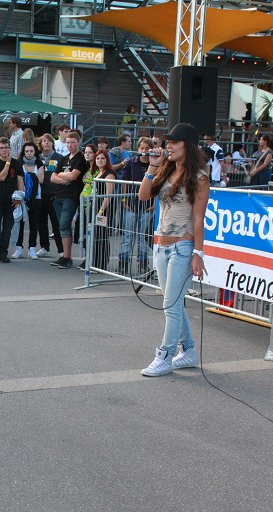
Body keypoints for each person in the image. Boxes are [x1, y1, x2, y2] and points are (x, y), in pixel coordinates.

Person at [137, 123, 208, 376]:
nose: (169, 146)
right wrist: (152, 165)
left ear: (187, 146)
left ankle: (165, 355)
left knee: (171, 305)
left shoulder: (199, 177)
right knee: (173, 304)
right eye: (168, 142)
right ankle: (188, 350)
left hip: (182, 246)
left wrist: (198, 254)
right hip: (162, 246)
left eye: (174, 142)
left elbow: (199, 218)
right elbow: (143, 196)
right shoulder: (166, 170)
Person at [47, 130, 87, 269]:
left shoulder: (81, 158)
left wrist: (62, 176)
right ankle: (65, 256)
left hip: (71, 196)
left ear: (78, 143)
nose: (70, 145)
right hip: (58, 195)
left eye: (73, 142)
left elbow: (73, 177)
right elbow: (52, 177)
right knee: (61, 227)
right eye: (68, 142)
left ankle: (68, 257)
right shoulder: (64, 158)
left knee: (64, 225)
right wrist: (64, 176)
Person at [117, 137, 154, 274]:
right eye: (142, 148)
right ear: (138, 149)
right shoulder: (131, 163)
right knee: (127, 236)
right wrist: (124, 201)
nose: (144, 151)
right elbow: (125, 183)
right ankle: (123, 263)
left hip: (148, 205)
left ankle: (143, 263)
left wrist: (155, 203)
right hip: (132, 204)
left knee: (143, 237)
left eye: (147, 148)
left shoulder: (155, 164)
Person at [10, 141, 44, 259]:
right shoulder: (19, 163)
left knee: (34, 224)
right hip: (22, 197)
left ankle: (32, 248)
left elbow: (41, 179)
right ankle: (19, 248)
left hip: (36, 197)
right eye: (27, 151)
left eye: (31, 151)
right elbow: (17, 180)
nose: (29, 153)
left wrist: (28, 177)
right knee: (20, 223)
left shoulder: (39, 163)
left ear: (35, 152)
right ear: (23, 152)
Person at [89, 150, 117, 270]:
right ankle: (94, 262)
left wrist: (100, 211)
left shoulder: (109, 174)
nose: (100, 161)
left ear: (107, 160)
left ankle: (101, 263)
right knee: (95, 235)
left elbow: (108, 195)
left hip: (104, 209)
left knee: (101, 235)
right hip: (95, 207)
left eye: (102, 158)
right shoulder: (98, 173)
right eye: (97, 158)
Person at [37, 133, 63, 259]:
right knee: (41, 223)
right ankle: (44, 247)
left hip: (55, 194)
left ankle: (61, 250)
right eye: (43, 141)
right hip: (41, 194)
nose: (46, 143)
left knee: (56, 223)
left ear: (53, 143)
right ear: (40, 144)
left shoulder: (59, 157)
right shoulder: (37, 158)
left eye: (48, 141)